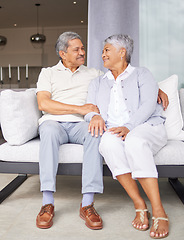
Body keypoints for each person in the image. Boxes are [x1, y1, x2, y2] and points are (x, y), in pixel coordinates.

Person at [85, 34, 169, 239]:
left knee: (134, 141)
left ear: (122, 52)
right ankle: (139, 204)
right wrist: (94, 115)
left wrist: (129, 127)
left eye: (107, 50)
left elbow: (149, 104)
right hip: (115, 130)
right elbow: (89, 108)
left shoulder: (142, 74)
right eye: (103, 50)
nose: (102, 54)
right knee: (106, 144)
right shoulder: (97, 82)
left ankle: (158, 210)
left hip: (147, 126)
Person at [36, 32, 104, 230]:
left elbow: (119, 83)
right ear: (62, 53)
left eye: (83, 48)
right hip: (54, 122)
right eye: (77, 49)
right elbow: (44, 103)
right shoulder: (48, 73)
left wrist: (155, 89)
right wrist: (79, 108)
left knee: (95, 132)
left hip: (81, 125)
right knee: (47, 130)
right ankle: (47, 202)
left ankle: (87, 204)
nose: (82, 52)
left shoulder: (94, 73)